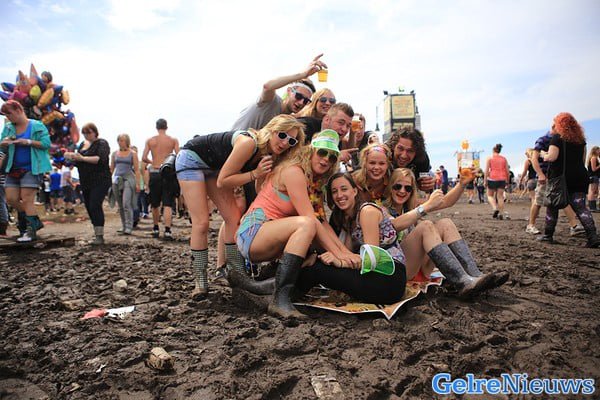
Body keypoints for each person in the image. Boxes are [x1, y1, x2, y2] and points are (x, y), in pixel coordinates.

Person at [230, 130, 361, 317]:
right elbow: (310, 220)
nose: (326, 159)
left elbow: (321, 221)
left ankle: (260, 289)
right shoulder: (294, 171)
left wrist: (344, 253)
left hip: (272, 235)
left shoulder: (314, 182)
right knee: (306, 226)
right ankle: (280, 300)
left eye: (332, 157)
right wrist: (338, 254)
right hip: (253, 234)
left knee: (315, 248)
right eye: (322, 152)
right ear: (310, 152)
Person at [176, 115, 306, 299]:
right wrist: (255, 173)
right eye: (282, 135)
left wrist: (263, 176)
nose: (285, 143)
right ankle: (201, 283)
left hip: (215, 167)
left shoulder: (270, 154)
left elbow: (258, 189)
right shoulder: (248, 143)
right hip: (192, 159)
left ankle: (237, 274)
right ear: (271, 130)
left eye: (291, 140)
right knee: (201, 222)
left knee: (233, 218)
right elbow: (223, 181)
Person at [384, 168, 508, 293]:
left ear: (412, 191)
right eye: (397, 186)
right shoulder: (382, 209)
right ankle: (463, 282)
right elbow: (393, 225)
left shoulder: (411, 205)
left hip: (420, 267)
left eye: (408, 188)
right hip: (399, 269)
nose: (402, 191)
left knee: (445, 223)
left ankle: (475, 275)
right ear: (390, 187)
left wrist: (461, 184)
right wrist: (425, 207)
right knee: (425, 225)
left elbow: (446, 202)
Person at [539, 113, 599, 247]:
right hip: (579, 177)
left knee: (552, 206)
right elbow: (582, 160)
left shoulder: (557, 138)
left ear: (559, 125)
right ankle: (593, 237)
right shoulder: (581, 140)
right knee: (581, 208)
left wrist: (543, 154)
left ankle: (548, 235)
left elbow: (552, 157)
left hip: (560, 178)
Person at [0, 100, 52, 242]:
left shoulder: (37, 125)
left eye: (9, 114)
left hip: (32, 168)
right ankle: (34, 221)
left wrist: (28, 142)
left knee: (27, 198)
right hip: (12, 168)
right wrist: (4, 142)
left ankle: (30, 231)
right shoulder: (8, 128)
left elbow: (46, 144)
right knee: (11, 198)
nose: (8, 117)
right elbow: (1, 144)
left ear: (19, 110)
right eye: (5, 115)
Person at [231, 55, 323, 132]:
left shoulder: (287, 120)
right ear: (289, 91)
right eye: (298, 96)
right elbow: (267, 86)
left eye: (306, 101)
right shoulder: (271, 101)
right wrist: (303, 74)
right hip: (230, 145)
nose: (301, 102)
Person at [531, 129, 585, 237]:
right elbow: (534, 158)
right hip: (545, 176)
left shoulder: (564, 139)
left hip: (557, 177)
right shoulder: (543, 140)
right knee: (538, 201)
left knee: (562, 199)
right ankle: (531, 225)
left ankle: (574, 226)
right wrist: (540, 174)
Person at [64, 123, 111, 245]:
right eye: (84, 133)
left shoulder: (102, 143)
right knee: (89, 206)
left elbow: (100, 159)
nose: (87, 135)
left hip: (100, 179)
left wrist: (82, 158)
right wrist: (71, 157)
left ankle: (100, 236)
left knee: (95, 204)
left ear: (95, 132)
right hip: (85, 180)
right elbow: (78, 162)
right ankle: (96, 232)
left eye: (89, 132)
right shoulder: (82, 145)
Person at [142, 118, 180, 239]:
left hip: (155, 171)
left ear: (156, 127)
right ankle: (167, 230)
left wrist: (153, 161)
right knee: (168, 203)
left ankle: (155, 227)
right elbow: (178, 156)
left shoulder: (150, 140)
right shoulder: (173, 140)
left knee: (155, 203)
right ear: (166, 127)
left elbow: (144, 157)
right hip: (167, 172)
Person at [110, 134, 141, 235]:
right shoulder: (114, 153)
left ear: (127, 141)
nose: (120, 142)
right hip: (117, 179)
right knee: (120, 205)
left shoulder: (133, 153)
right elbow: (112, 168)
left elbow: (137, 170)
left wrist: (138, 184)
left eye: (122, 140)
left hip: (128, 179)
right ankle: (123, 226)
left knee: (126, 203)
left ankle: (129, 226)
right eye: (119, 140)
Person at [484, 144, 509, 220]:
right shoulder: (504, 159)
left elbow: (486, 170)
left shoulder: (489, 158)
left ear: (493, 150)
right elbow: (507, 171)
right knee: (500, 197)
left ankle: (495, 208)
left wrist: (485, 180)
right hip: (502, 179)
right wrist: (507, 180)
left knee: (490, 196)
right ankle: (501, 214)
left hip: (492, 178)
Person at [520, 149, 540, 234]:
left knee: (533, 199)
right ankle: (536, 213)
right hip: (539, 179)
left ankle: (533, 215)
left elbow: (524, 172)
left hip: (531, 180)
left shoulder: (528, 161)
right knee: (538, 199)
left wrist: (521, 179)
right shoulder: (538, 159)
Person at [586, 146, 599, 212]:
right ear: (595, 150)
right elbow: (594, 169)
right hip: (593, 176)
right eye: (598, 150)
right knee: (592, 192)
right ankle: (592, 207)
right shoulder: (593, 158)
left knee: (593, 192)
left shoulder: (594, 157)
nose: (599, 151)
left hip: (594, 176)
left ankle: (593, 207)